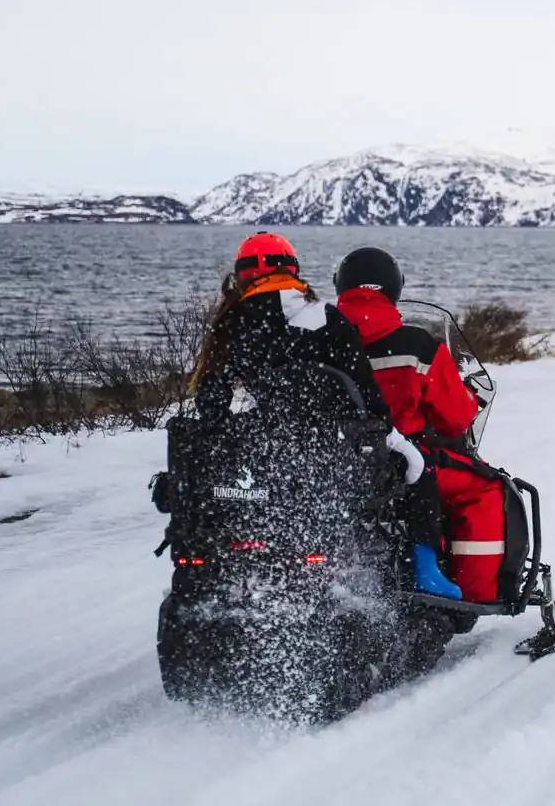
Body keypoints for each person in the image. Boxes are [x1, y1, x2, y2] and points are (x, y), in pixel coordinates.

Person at [189, 232, 455, 599]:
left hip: (263, 454)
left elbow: (211, 404)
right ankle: (425, 572)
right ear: (293, 270)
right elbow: (363, 390)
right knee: (419, 470)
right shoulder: (323, 316)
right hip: (331, 451)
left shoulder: (230, 326)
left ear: (241, 276)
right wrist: (387, 434)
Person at [333, 247, 509, 605]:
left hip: (336, 461)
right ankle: (474, 596)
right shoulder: (416, 345)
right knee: (486, 489)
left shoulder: (322, 343)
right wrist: (471, 400)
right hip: (402, 457)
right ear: (394, 288)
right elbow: (455, 417)